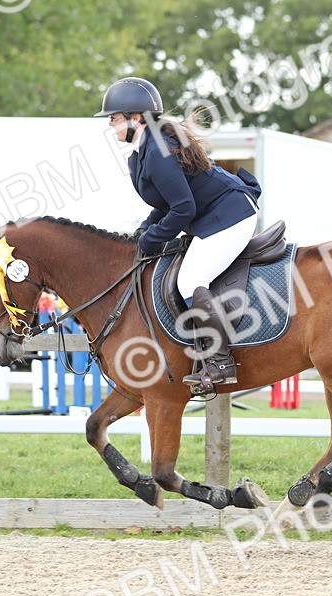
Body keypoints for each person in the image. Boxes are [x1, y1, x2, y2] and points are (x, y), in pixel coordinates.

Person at [96, 76, 263, 393]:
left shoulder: (158, 151)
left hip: (231, 216)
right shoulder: (143, 151)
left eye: (114, 119)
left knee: (189, 281)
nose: (111, 126)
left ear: (136, 118)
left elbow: (183, 209)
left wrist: (151, 239)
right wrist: (144, 231)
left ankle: (219, 362)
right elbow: (166, 203)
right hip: (211, 217)